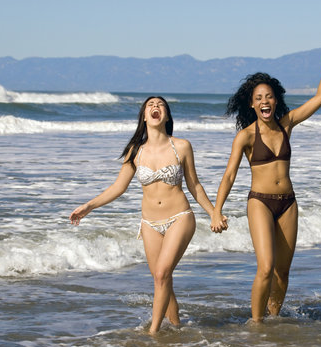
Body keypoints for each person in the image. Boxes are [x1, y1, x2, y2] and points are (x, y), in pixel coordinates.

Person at [210, 36, 321, 323]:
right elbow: (230, 174)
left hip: (288, 204)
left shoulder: (286, 124)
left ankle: (273, 319)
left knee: (283, 272)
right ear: (252, 105)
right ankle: (255, 324)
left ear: (275, 100)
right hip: (260, 202)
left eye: (268, 96)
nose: (264, 101)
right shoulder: (245, 136)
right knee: (266, 268)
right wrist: (217, 210)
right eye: (259, 98)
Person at [70, 96, 225, 334]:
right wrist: (88, 207)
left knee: (162, 273)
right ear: (144, 116)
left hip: (180, 217)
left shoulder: (181, 146)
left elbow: (195, 186)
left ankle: (153, 333)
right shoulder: (135, 151)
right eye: (150, 105)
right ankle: (175, 327)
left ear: (167, 116)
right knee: (162, 279)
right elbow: (117, 187)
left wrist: (214, 213)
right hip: (149, 223)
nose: (155, 107)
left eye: (160, 105)